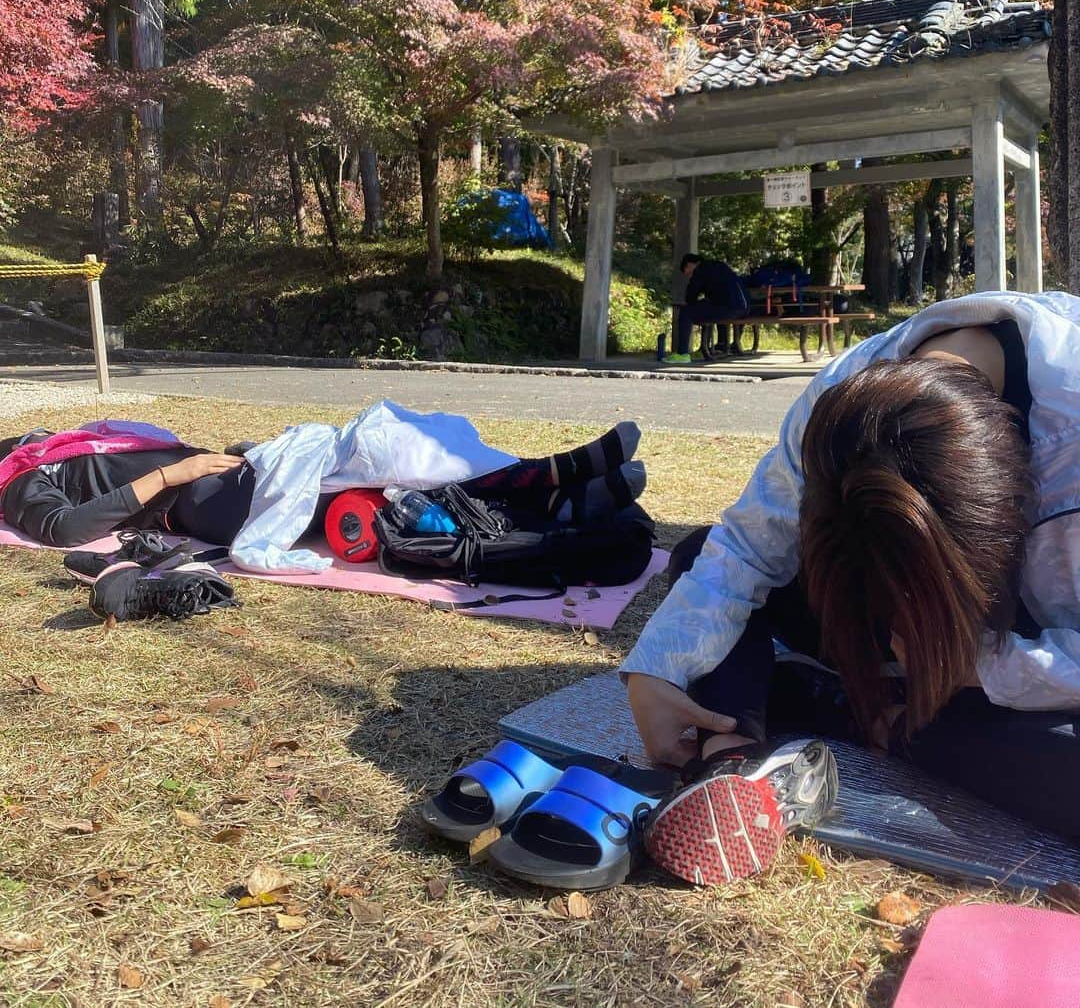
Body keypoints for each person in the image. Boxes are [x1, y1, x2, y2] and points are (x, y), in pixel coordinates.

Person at [623, 291, 1080, 845]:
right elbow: (746, 548)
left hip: (1040, 659)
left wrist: (985, 664)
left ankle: (858, 712)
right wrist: (658, 668)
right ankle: (732, 756)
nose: (894, 624)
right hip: (945, 660)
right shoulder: (839, 406)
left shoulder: (1068, 418)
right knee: (699, 556)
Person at [0, 418, 645, 551]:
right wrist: (178, 471)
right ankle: (549, 483)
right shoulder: (23, 482)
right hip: (206, 505)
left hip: (229, 475)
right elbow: (64, 531)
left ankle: (554, 492)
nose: (28, 438)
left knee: (393, 460)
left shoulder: (69, 444)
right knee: (374, 471)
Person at [664, 251, 749, 364]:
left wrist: (689, 300)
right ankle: (720, 345)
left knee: (686, 312)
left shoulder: (700, 270)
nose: (690, 277)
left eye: (688, 274)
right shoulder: (719, 265)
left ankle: (683, 354)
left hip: (728, 307)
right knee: (707, 307)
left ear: (690, 264)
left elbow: (691, 296)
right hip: (744, 307)